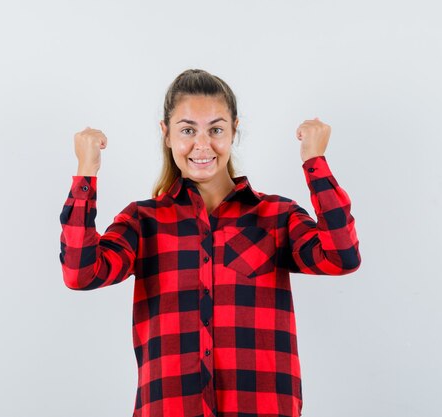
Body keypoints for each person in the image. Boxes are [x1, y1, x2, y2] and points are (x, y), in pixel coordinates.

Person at [59, 68, 361, 417]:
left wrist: (314, 162)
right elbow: (80, 273)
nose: (202, 145)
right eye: (188, 130)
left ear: (234, 131)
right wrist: (87, 172)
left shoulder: (276, 216)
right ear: (167, 134)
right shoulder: (144, 221)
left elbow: (342, 257)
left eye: (216, 129)